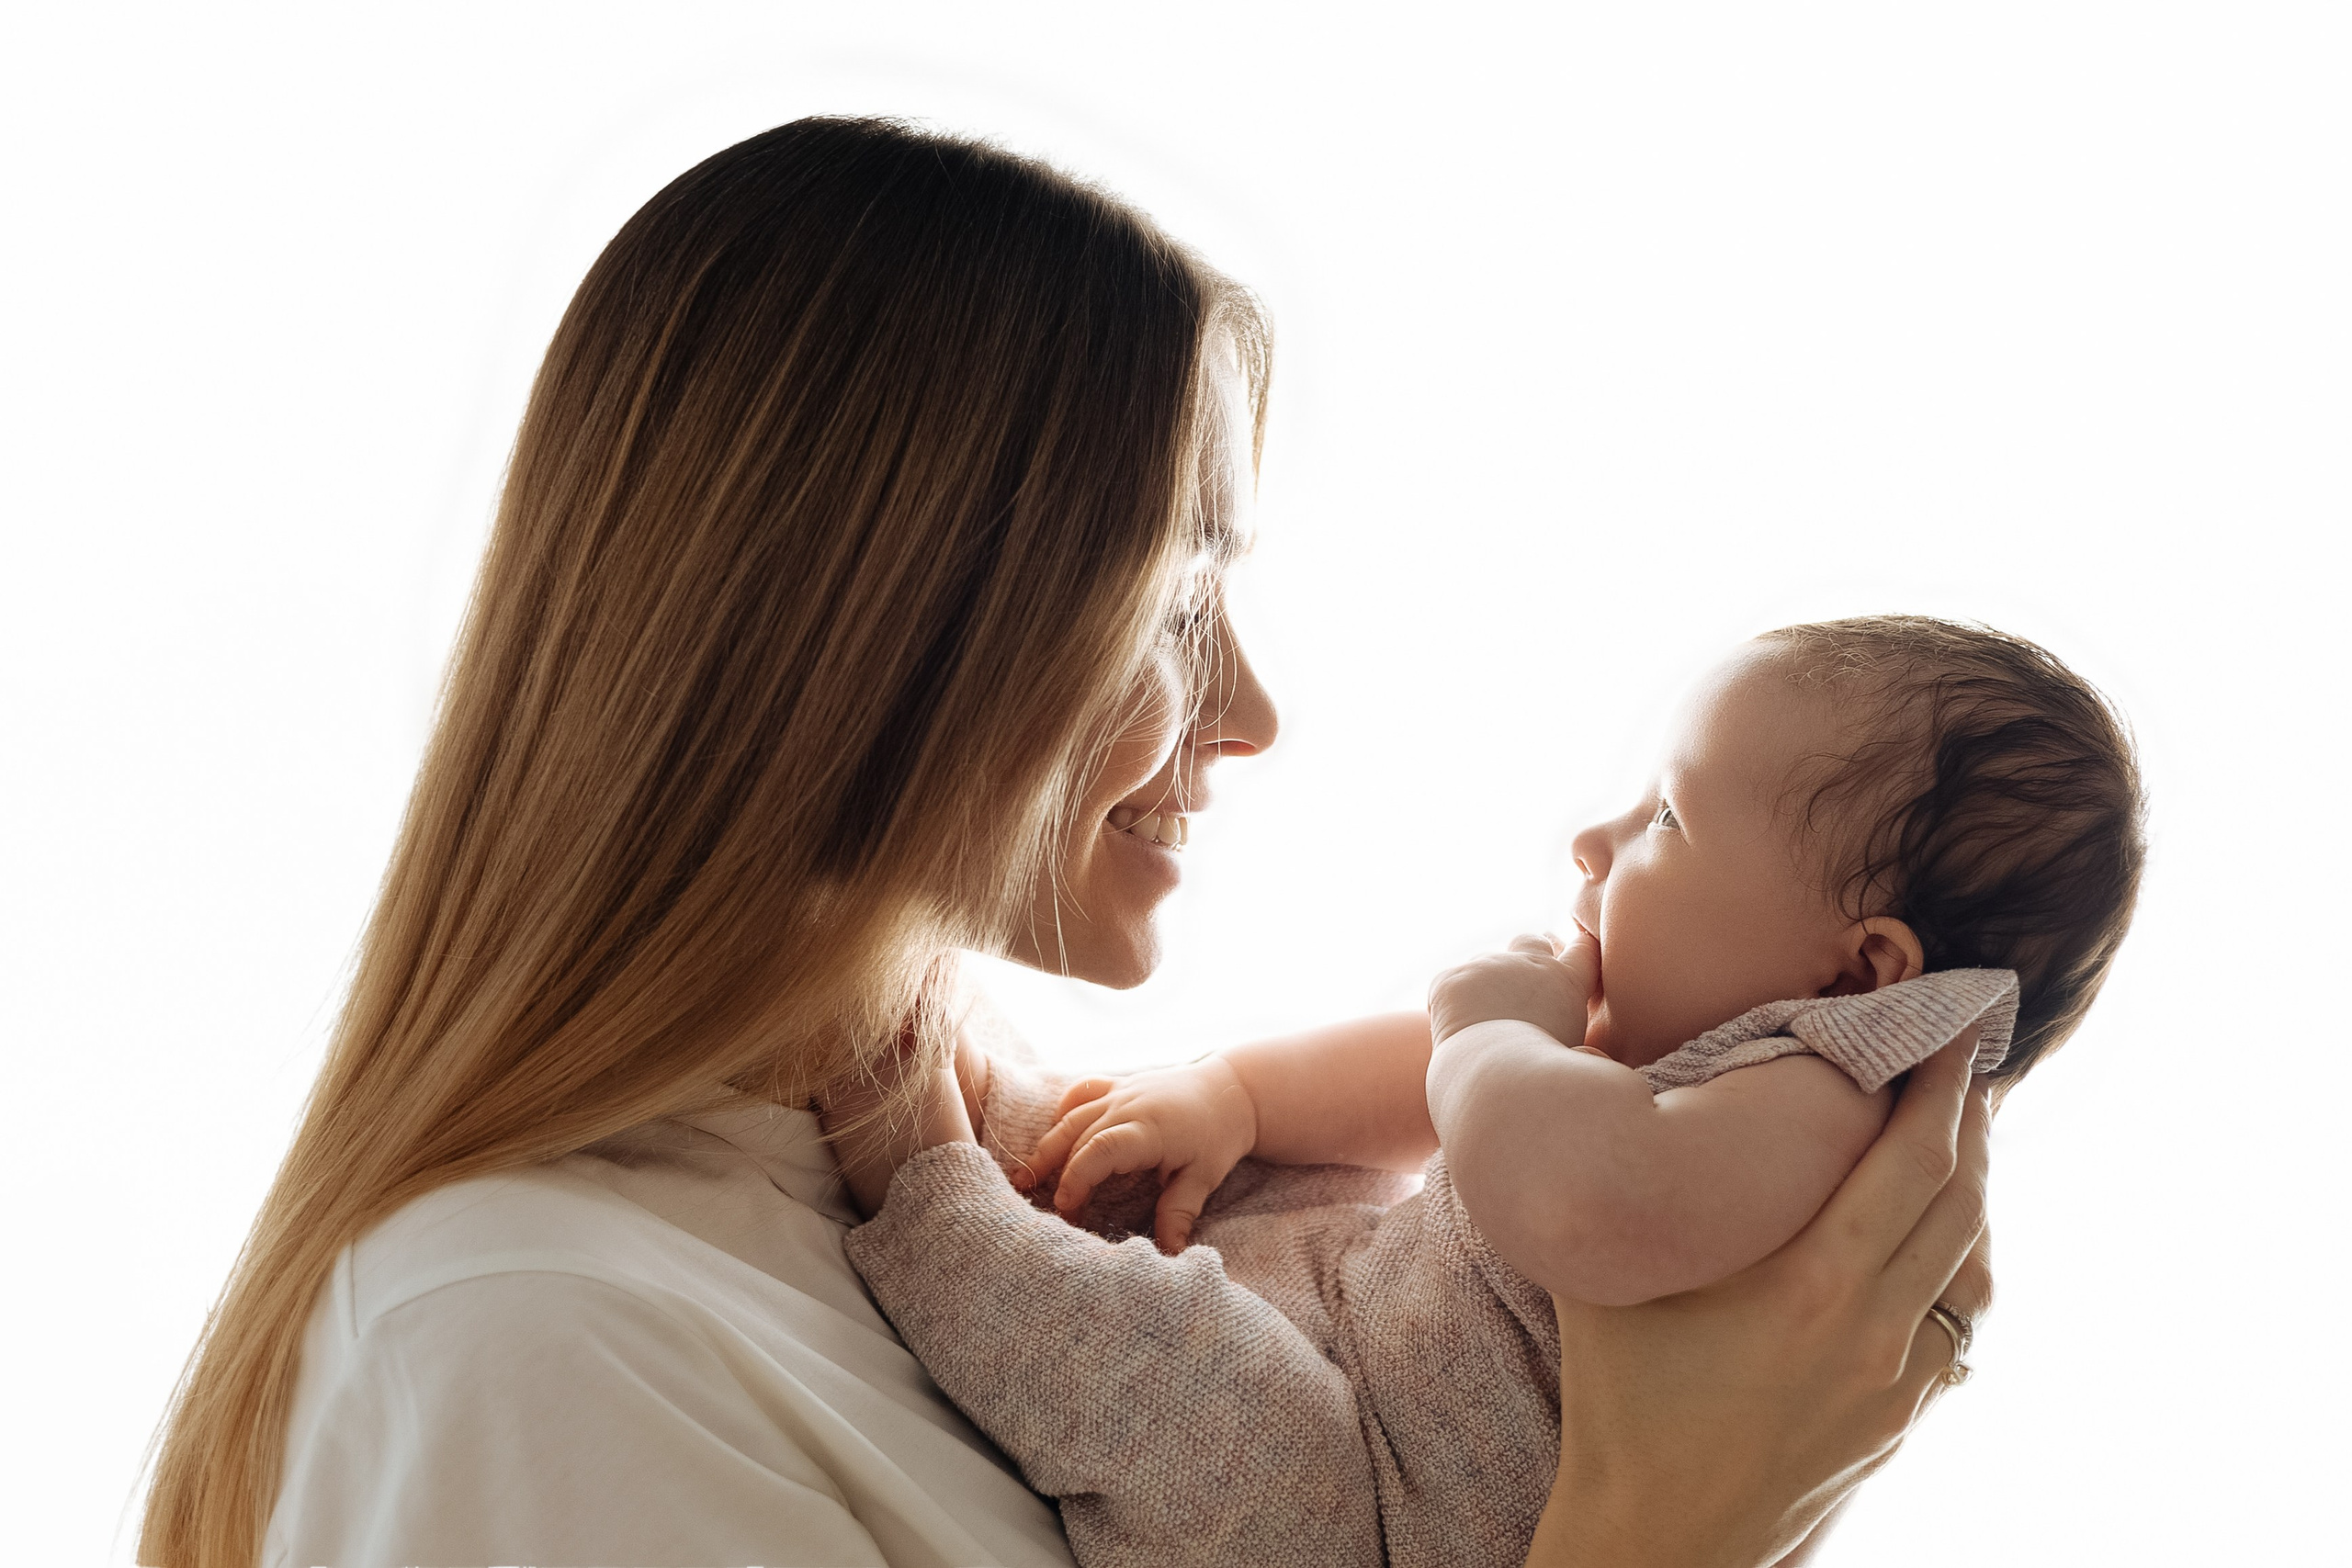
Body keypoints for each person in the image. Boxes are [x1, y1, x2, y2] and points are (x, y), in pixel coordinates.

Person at [137, 117, 2000, 1568]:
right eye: (1182, 600)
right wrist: (1664, 1524)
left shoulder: (949, 1159)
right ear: (880, 615)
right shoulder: (530, 1341)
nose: (1250, 708)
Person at [831, 619, 2143, 1566]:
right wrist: (1235, 1094)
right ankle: (1027, 1122)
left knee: (1162, 1368)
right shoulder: (1697, 1044)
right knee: (1268, 1173)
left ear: (1867, 969)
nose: (1598, 840)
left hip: (1369, 1517)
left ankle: (945, 1213)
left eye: (1668, 823)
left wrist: (1494, 1031)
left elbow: (1574, 1196)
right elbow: (1441, 1087)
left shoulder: (1832, 1104)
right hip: (1374, 1347)